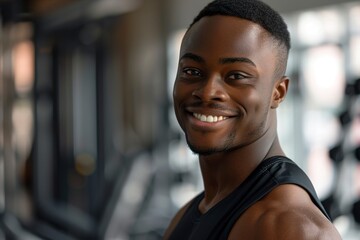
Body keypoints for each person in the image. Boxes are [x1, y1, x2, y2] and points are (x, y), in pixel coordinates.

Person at [163, 0, 342, 239]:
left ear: (278, 92)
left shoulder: (291, 226)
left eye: (236, 76)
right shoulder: (190, 213)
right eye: (192, 72)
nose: (207, 92)